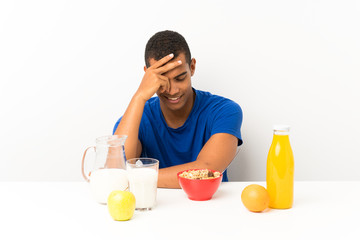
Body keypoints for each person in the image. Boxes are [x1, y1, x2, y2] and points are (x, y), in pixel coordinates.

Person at [113, 30, 243, 188]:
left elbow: (208, 170)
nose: (172, 90)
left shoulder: (224, 111)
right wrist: (140, 95)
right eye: (162, 81)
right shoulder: (137, 117)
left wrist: (135, 176)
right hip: (156, 207)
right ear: (148, 76)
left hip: (210, 207)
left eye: (180, 78)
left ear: (192, 67)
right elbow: (116, 169)